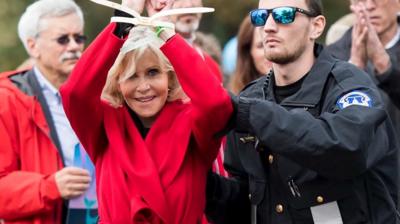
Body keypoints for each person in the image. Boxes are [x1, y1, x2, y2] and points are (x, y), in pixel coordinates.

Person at [206, 0, 400, 223]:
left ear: (316, 26)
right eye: (260, 17)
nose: (268, 26)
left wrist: (250, 114)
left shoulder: (349, 85)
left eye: (284, 15)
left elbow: (346, 148)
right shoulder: (251, 99)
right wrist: (204, 186)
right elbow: (246, 203)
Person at [59, 0, 233, 223]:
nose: (143, 87)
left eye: (153, 72)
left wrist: (168, 35)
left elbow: (217, 105)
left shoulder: (192, 124)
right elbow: (75, 93)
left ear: (169, 77)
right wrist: (123, 19)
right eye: (131, 76)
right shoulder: (104, 127)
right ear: (117, 82)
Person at [0, 0, 97, 224]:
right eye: (63, 39)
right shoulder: (7, 100)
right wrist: (50, 186)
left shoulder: (99, 93)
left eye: (79, 37)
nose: (74, 46)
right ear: (33, 46)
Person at [327, 0, 400, 136]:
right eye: (361, 0)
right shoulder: (331, 56)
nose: (369, 6)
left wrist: (384, 68)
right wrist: (353, 69)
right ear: (352, 5)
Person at [229, 16, 272, 95]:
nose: (269, 52)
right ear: (248, 51)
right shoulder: (236, 101)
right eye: (261, 46)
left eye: (274, 42)